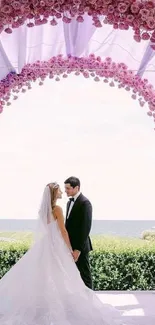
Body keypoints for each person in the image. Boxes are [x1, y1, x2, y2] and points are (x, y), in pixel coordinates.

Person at [0, 182, 128, 325]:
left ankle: (46, 305)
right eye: (61, 190)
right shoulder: (58, 209)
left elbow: (47, 229)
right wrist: (69, 249)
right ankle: (74, 305)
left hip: (46, 244)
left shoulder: (42, 210)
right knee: (66, 275)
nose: (63, 192)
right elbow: (63, 231)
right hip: (57, 245)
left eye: (65, 189)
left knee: (47, 275)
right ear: (55, 193)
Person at [64, 176, 93, 289]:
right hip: (70, 246)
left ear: (77, 188)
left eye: (68, 188)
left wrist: (78, 249)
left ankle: (90, 301)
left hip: (80, 247)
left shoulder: (85, 203)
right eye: (65, 188)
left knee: (84, 274)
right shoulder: (68, 203)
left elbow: (85, 228)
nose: (66, 191)